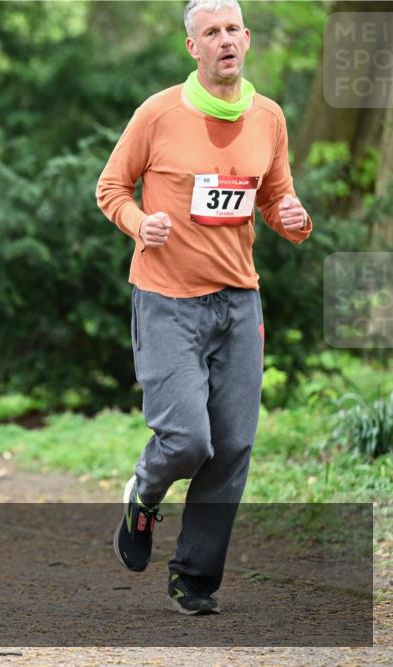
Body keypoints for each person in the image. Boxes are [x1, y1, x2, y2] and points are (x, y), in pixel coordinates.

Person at [96, 0, 311, 616]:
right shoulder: (159, 113)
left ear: (248, 39)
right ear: (193, 47)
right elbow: (111, 188)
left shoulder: (268, 117)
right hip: (167, 300)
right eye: (210, 32)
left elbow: (275, 197)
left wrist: (294, 219)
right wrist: (141, 223)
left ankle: (194, 578)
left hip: (239, 302)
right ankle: (146, 489)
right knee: (189, 439)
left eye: (232, 30)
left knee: (234, 443)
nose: (224, 41)